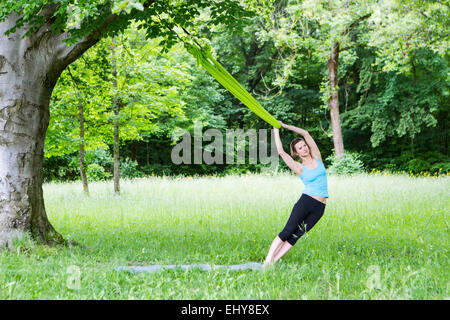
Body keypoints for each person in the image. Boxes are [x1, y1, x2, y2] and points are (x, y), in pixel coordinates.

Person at [263, 121, 328, 267]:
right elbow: (281, 152)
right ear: (296, 153)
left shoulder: (317, 157)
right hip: (306, 202)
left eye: (304, 146)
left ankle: (274, 262)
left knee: (296, 236)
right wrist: (276, 129)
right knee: (287, 232)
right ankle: (267, 261)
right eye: (300, 148)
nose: (304, 149)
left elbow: (305, 133)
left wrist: (285, 126)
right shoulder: (299, 167)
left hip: (320, 207)